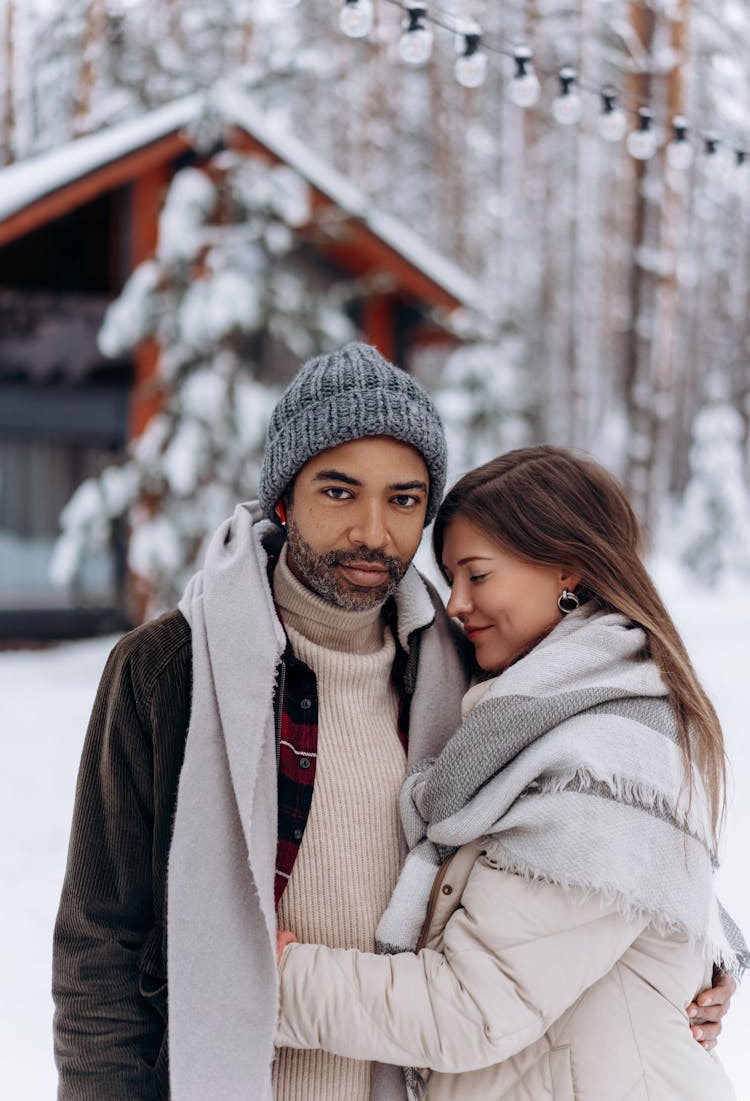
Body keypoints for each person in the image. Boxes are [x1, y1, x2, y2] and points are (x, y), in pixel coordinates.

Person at [52, 345, 735, 1101]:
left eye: (405, 500)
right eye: (340, 492)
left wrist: (695, 951)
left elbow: (598, 834)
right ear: (284, 496)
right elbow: (100, 945)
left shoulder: (471, 669)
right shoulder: (170, 670)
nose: (374, 532)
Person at [275, 446, 748, 1100]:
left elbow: (474, 1005)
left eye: (478, 574)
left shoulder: (602, 753)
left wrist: (272, 979)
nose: (458, 605)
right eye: (449, 578)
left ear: (567, 566)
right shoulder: (551, 722)